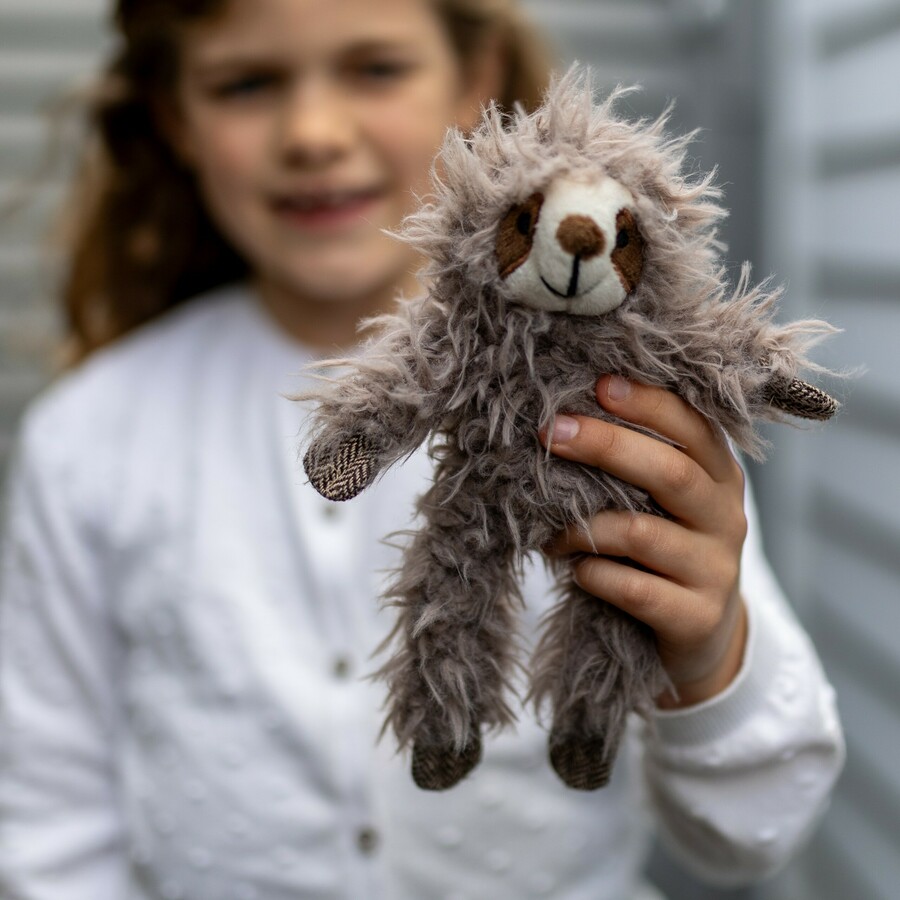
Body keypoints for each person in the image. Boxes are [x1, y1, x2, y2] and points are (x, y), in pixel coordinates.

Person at [0, 0, 844, 898]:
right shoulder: (89, 435)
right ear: (177, 117)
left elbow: (754, 834)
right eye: (245, 83)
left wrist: (710, 656)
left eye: (376, 68)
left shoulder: (630, 408)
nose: (314, 133)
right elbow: (50, 822)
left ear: (475, 80)